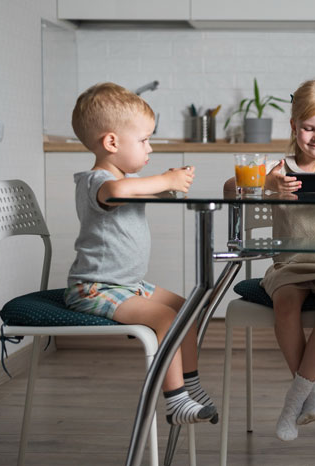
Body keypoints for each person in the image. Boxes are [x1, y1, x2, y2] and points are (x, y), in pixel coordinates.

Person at [64, 82, 217, 426]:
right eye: (144, 140)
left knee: (186, 308)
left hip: (126, 284)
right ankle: (175, 401)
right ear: (112, 142)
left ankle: (190, 385)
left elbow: (131, 191)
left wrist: (166, 188)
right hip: (96, 287)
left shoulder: (122, 180)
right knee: (165, 319)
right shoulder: (97, 181)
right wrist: (164, 179)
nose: (150, 148)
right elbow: (118, 192)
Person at [224, 79, 315, 441]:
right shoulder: (278, 169)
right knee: (285, 307)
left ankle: (292, 402)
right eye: (308, 128)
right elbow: (230, 189)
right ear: (293, 127)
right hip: (289, 266)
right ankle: (309, 392)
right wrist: (268, 187)